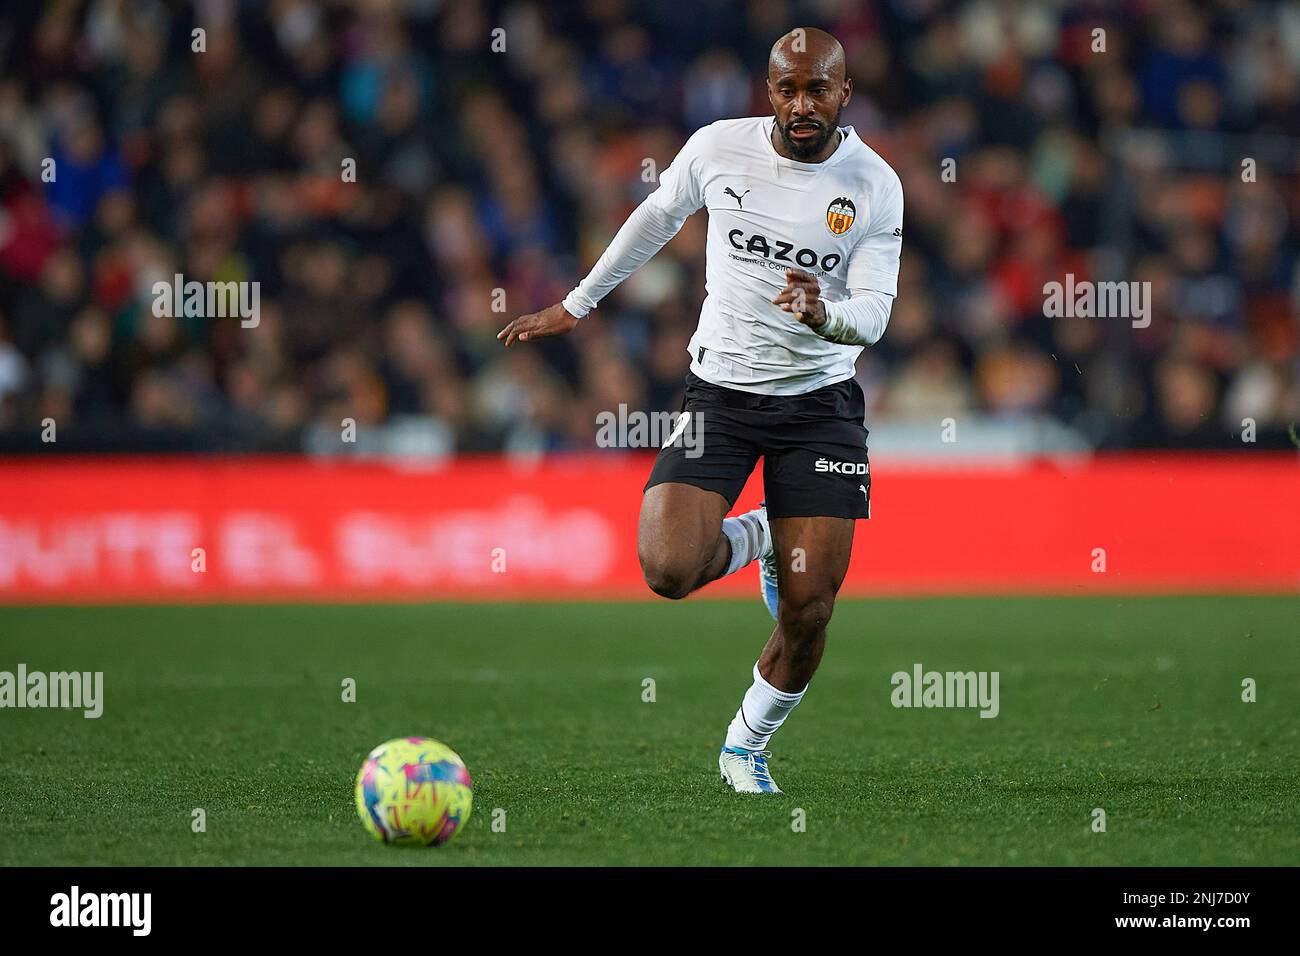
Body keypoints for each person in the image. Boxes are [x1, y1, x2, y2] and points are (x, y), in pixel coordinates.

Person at [498, 27, 903, 793]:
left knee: (810, 611)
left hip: (820, 405)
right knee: (668, 568)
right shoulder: (719, 147)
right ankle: (761, 537)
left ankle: (747, 743)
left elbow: (876, 313)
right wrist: (576, 305)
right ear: (769, 91)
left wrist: (826, 317)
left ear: (844, 93)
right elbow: (656, 218)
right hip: (722, 393)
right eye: (787, 89)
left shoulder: (876, 183)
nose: (802, 104)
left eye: (819, 88)